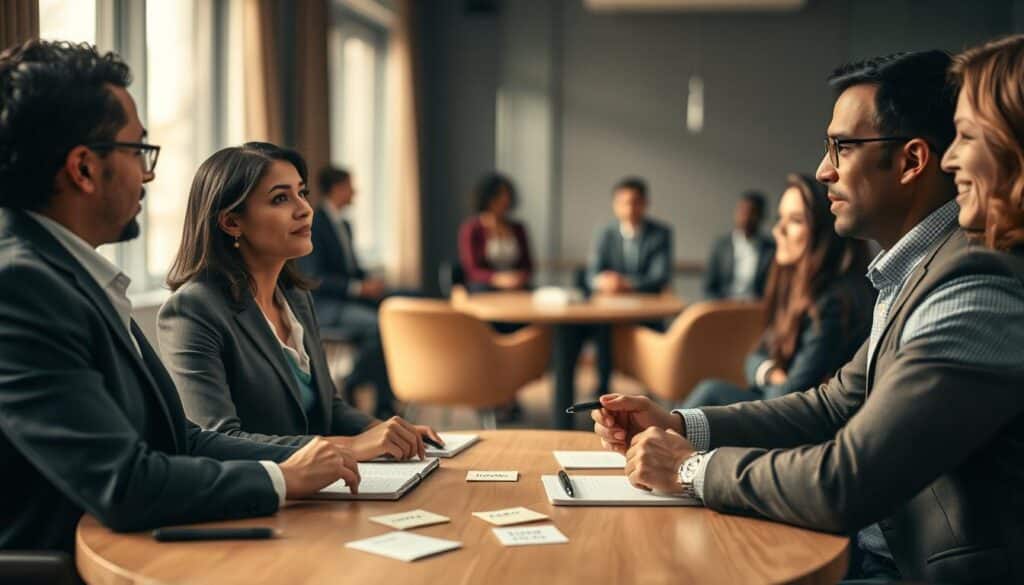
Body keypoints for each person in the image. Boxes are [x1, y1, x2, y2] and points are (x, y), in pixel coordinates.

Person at [592, 50, 1024, 584]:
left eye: (842, 147)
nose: (824, 169)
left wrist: (688, 467)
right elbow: (832, 405)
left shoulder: (976, 283)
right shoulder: (919, 269)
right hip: (867, 546)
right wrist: (682, 425)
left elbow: (847, 480)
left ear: (911, 162)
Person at [0, 41, 359, 556]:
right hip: (91, 564)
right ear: (83, 169)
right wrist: (281, 480)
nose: (148, 174)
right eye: (137, 152)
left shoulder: (70, 276)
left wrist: (304, 461)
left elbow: (180, 439)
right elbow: (123, 484)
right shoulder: (21, 288)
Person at [158, 144, 442, 462]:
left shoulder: (296, 298)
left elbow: (330, 410)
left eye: (302, 193)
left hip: (325, 487)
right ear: (231, 223)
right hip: (259, 499)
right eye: (281, 198)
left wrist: (386, 431)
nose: (304, 209)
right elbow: (217, 440)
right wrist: (350, 447)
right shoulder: (192, 311)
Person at [682, 174, 874, 407]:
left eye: (795, 220)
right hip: (776, 399)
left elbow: (791, 395)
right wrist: (771, 373)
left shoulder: (835, 300)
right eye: (779, 218)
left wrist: (771, 377)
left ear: (825, 232)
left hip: (799, 420)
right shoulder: (794, 286)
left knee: (709, 393)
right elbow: (754, 358)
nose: (777, 230)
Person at [297, 166, 395, 419]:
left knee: (400, 309)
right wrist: (358, 288)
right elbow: (314, 276)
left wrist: (368, 282)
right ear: (338, 188)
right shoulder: (315, 223)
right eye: (351, 186)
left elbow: (349, 268)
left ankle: (384, 398)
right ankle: (354, 381)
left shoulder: (345, 225)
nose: (355, 191)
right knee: (379, 327)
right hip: (326, 305)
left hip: (349, 298)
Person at [567, 177, 673, 398]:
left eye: (635, 202)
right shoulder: (605, 233)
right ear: (615, 205)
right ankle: (602, 386)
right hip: (609, 309)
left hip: (646, 310)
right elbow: (592, 274)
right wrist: (602, 281)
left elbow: (659, 276)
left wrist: (625, 284)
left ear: (645, 204)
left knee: (651, 338)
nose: (629, 208)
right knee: (600, 328)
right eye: (623, 202)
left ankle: (650, 388)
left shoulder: (660, 233)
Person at [458, 172, 534, 292]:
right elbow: (472, 269)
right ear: (488, 197)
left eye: (507, 194)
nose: (505, 199)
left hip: (516, 284)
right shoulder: (472, 229)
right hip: (485, 285)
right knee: (481, 289)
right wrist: (498, 278)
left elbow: (527, 265)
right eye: (500, 194)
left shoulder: (518, 229)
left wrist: (518, 278)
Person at [703, 191, 775, 299]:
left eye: (751, 212)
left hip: (757, 309)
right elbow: (709, 288)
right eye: (742, 211)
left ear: (761, 216)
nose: (745, 217)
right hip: (724, 307)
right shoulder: (721, 246)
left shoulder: (771, 248)